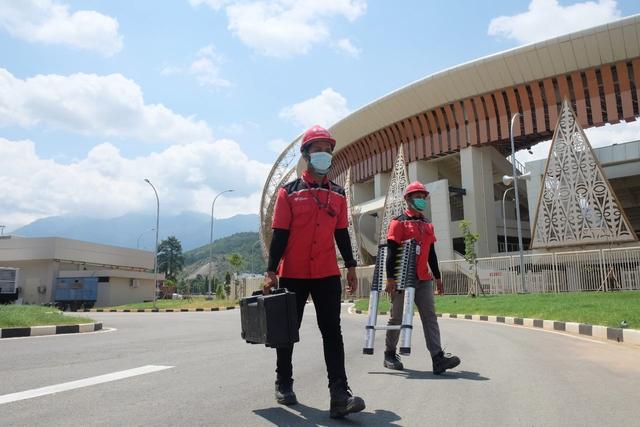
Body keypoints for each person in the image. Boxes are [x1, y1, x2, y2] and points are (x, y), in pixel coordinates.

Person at [264, 125, 365, 419]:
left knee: (332, 331)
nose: (323, 154)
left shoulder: (338, 193)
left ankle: (339, 394)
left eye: (327, 149)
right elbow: (280, 234)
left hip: (326, 273)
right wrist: (272, 271)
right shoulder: (289, 192)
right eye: (317, 149)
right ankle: (284, 382)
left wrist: (351, 266)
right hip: (293, 272)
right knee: (287, 330)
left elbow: (342, 234)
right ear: (306, 155)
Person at [383, 181, 461, 374]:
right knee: (397, 317)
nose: (421, 200)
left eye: (423, 197)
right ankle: (390, 354)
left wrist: (438, 277)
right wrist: (390, 279)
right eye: (417, 197)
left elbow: (431, 253)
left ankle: (438, 359)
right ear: (408, 199)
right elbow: (391, 253)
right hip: (401, 278)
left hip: (423, 278)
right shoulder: (398, 222)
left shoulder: (427, 225)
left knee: (430, 317)